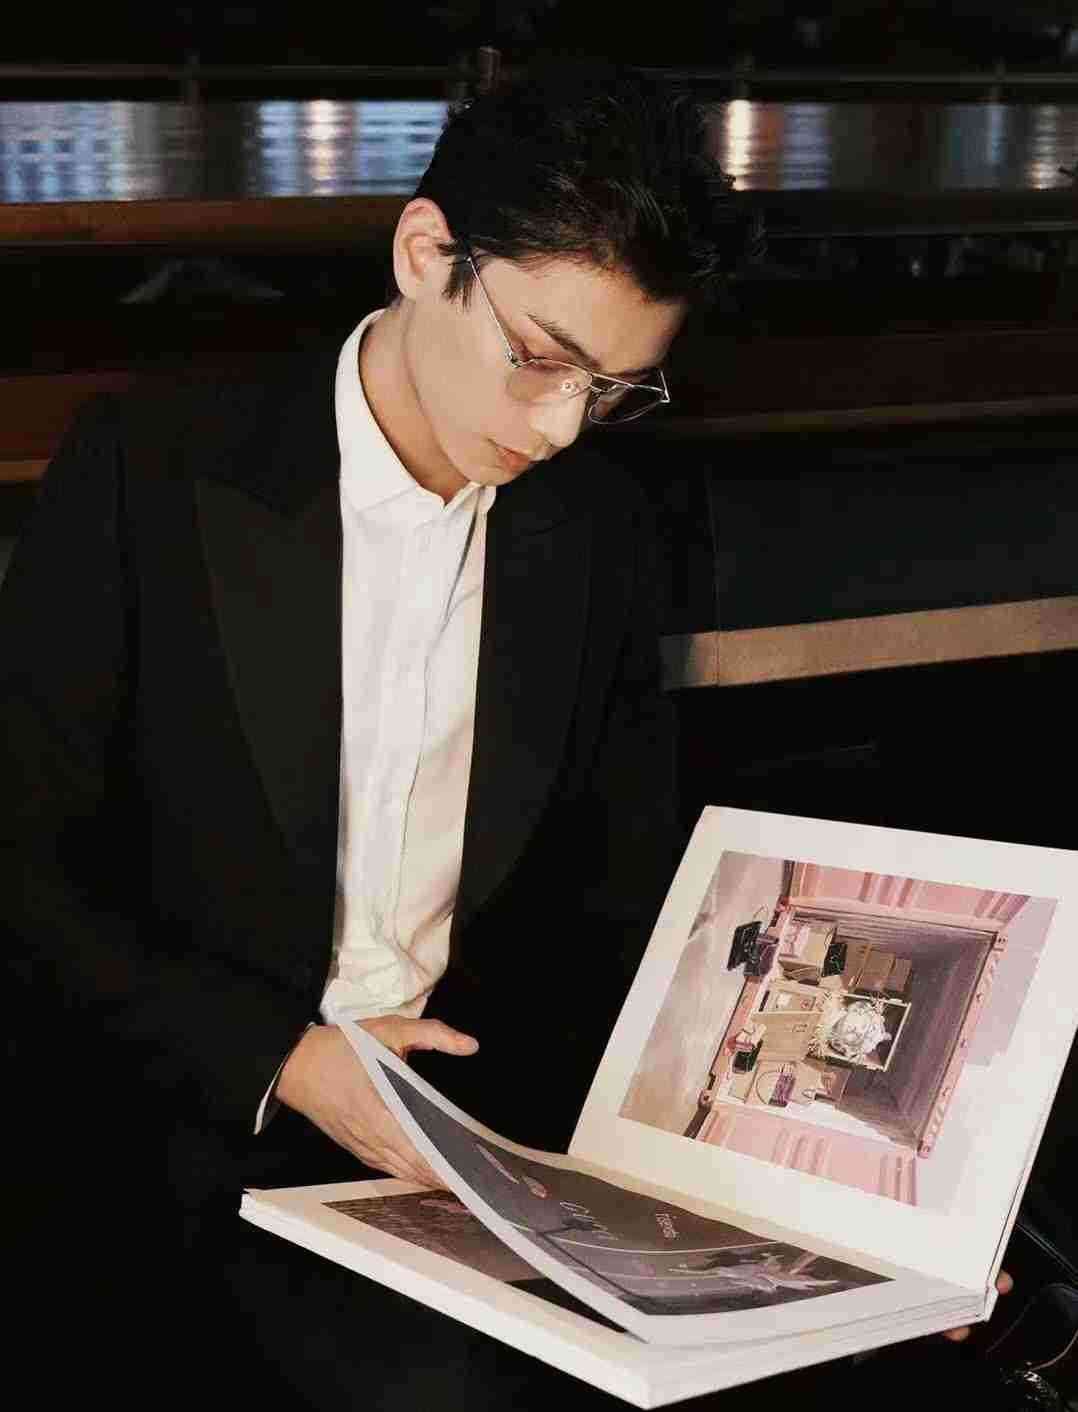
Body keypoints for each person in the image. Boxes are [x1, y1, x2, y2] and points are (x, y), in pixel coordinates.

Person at [3, 64, 1007, 1410]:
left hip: (476, 1132)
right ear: (426, 255)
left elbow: (620, 894)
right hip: (186, 1108)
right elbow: (21, 865)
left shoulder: (594, 527)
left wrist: (855, 1206)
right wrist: (283, 1061)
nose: (560, 426)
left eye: (616, 388)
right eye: (540, 357)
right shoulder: (151, 467)